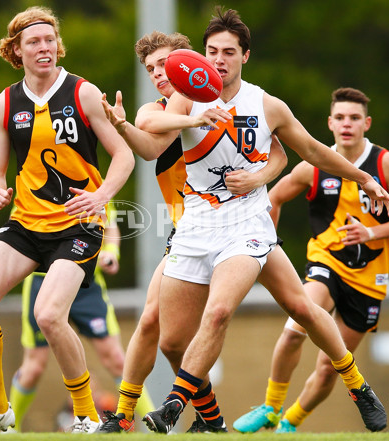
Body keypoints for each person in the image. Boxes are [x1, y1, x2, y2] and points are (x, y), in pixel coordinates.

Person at [134, 7, 389, 434]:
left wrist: (364, 177)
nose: (218, 60)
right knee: (175, 340)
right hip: (196, 226)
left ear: (245, 56)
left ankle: (172, 407)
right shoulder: (187, 95)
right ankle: (215, 421)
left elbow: (312, 151)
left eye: (228, 52)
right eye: (211, 51)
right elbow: (147, 121)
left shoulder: (266, 104)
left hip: (247, 224)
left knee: (218, 313)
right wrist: (192, 117)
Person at [98, 31, 288, 433]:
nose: (159, 74)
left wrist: (259, 178)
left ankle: (342, 388)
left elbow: (279, 150)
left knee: (301, 310)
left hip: (237, 229)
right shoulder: (165, 114)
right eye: (151, 70)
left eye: (165, 65)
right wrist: (123, 126)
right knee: (157, 326)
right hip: (192, 232)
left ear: (189, 62)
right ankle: (148, 416)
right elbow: (148, 141)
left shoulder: (218, 106)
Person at [0, 6, 134, 434]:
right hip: (26, 223)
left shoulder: (82, 93)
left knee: (49, 315)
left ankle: (86, 415)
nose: (44, 48)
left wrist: (101, 195)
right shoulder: (4, 104)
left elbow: (124, 155)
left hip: (79, 226)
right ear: (15, 50)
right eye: (33, 42)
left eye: (49, 40)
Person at [233, 87, 389, 433]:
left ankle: (289, 423)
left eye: (354, 118)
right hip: (325, 261)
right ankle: (272, 406)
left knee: (328, 366)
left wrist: (371, 233)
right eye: (340, 118)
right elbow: (273, 199)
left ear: (366, 123)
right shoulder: (313, 167)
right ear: (330, 123)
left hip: (369, 278)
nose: (346, 124)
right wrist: (266, 248)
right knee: (296, 328)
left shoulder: (385, 163)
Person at [8, 204, 154, 432]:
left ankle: (154, 429)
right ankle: (9, 427)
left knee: (116, 358)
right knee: (33, 368)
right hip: (42, 280)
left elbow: (110, 226)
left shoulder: (97, 182)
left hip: (86, 283)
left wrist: (111, 253)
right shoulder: (34, 176)